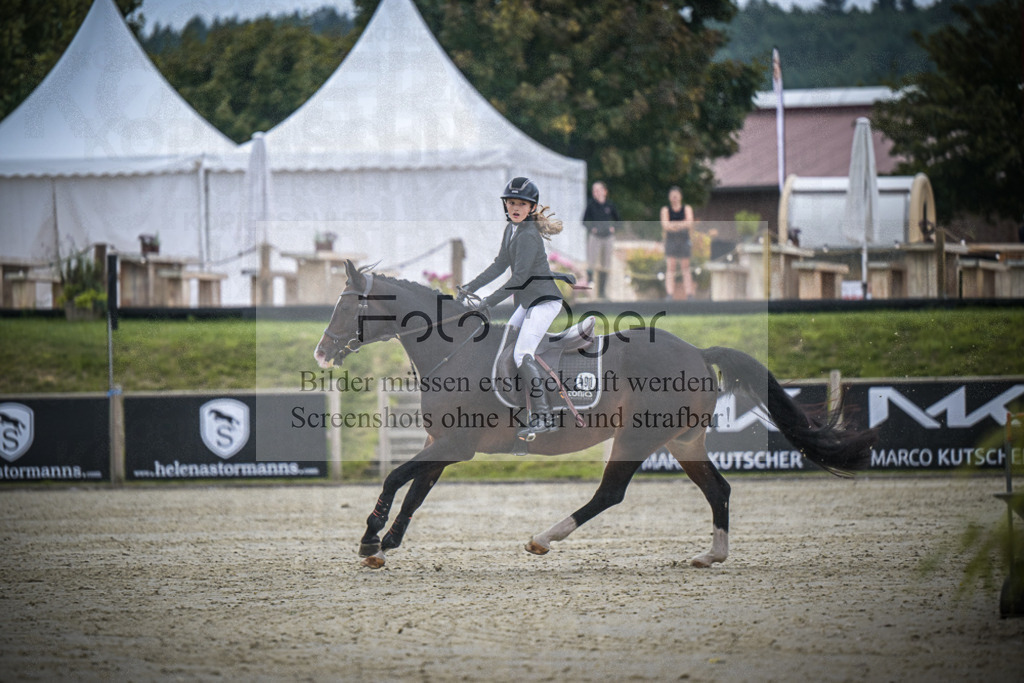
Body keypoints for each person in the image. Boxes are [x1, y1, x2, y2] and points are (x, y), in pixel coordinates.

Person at [462, 177, 569, 438]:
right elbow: (500, 264)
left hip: (544, 302)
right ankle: (520, 404)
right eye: (512, 203)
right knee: (505, 346)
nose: (516, 208)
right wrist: (469, 288)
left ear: (532, 208)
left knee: (522, 354)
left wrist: (488, 302)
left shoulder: (529, 235)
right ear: (506, 206)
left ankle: (545, 417)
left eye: (522, 204)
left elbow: (519, 278)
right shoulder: (511, 229)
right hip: (526, 302)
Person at [582, 181, 619, 298]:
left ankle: (602, 292)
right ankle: (589, 287)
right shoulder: (591, 205)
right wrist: (592, 228)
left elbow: (619, 220)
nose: (596, 193)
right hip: (595, 237)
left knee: (606, 264)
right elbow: (584, 220)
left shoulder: (610, 205)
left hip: (607, 237)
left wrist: (613, 228)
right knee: (592, 262)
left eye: (598, 190)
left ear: (604, 191)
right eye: (594, 190)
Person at [660, 186, 695, 300]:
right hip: (671, 241)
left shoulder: (686, 208)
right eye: (672, 195)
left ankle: (689, 294)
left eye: (676, 195)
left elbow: (689, 222)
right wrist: (680, 224)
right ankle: (669, 294)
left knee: (685, 267)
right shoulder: (665, 210)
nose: (674, 197)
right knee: (671, 266)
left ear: (680, 196)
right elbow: (665, 225)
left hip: (684, 240)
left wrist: (674, 224)